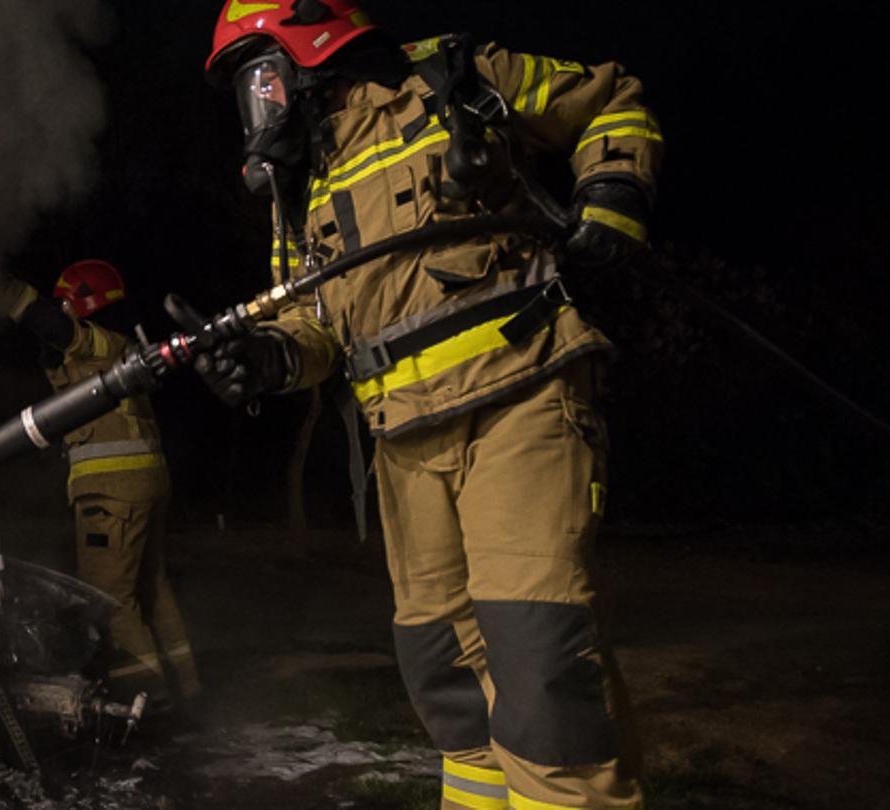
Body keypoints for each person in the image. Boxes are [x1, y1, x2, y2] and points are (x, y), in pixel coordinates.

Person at [196, 2, 662, 808]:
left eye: (261, 76)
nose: (259, 106)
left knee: (539, 659)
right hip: (403, 446)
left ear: (311, 41)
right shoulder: (298, 183)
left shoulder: (450, 79)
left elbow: (610, 100)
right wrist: (269, 357)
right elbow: (308, 318)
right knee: (444, 674)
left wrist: (612, 193)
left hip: (518, 400)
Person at [3, 261, 201, 707]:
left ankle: (144, 701)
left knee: (109, 599)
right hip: (146, 485)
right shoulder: (124, 349)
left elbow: (50, 325)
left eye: (65, 307)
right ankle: (186, 690)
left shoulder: (100, 344)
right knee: (152, 589)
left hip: (112, 493)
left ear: (79, 307)